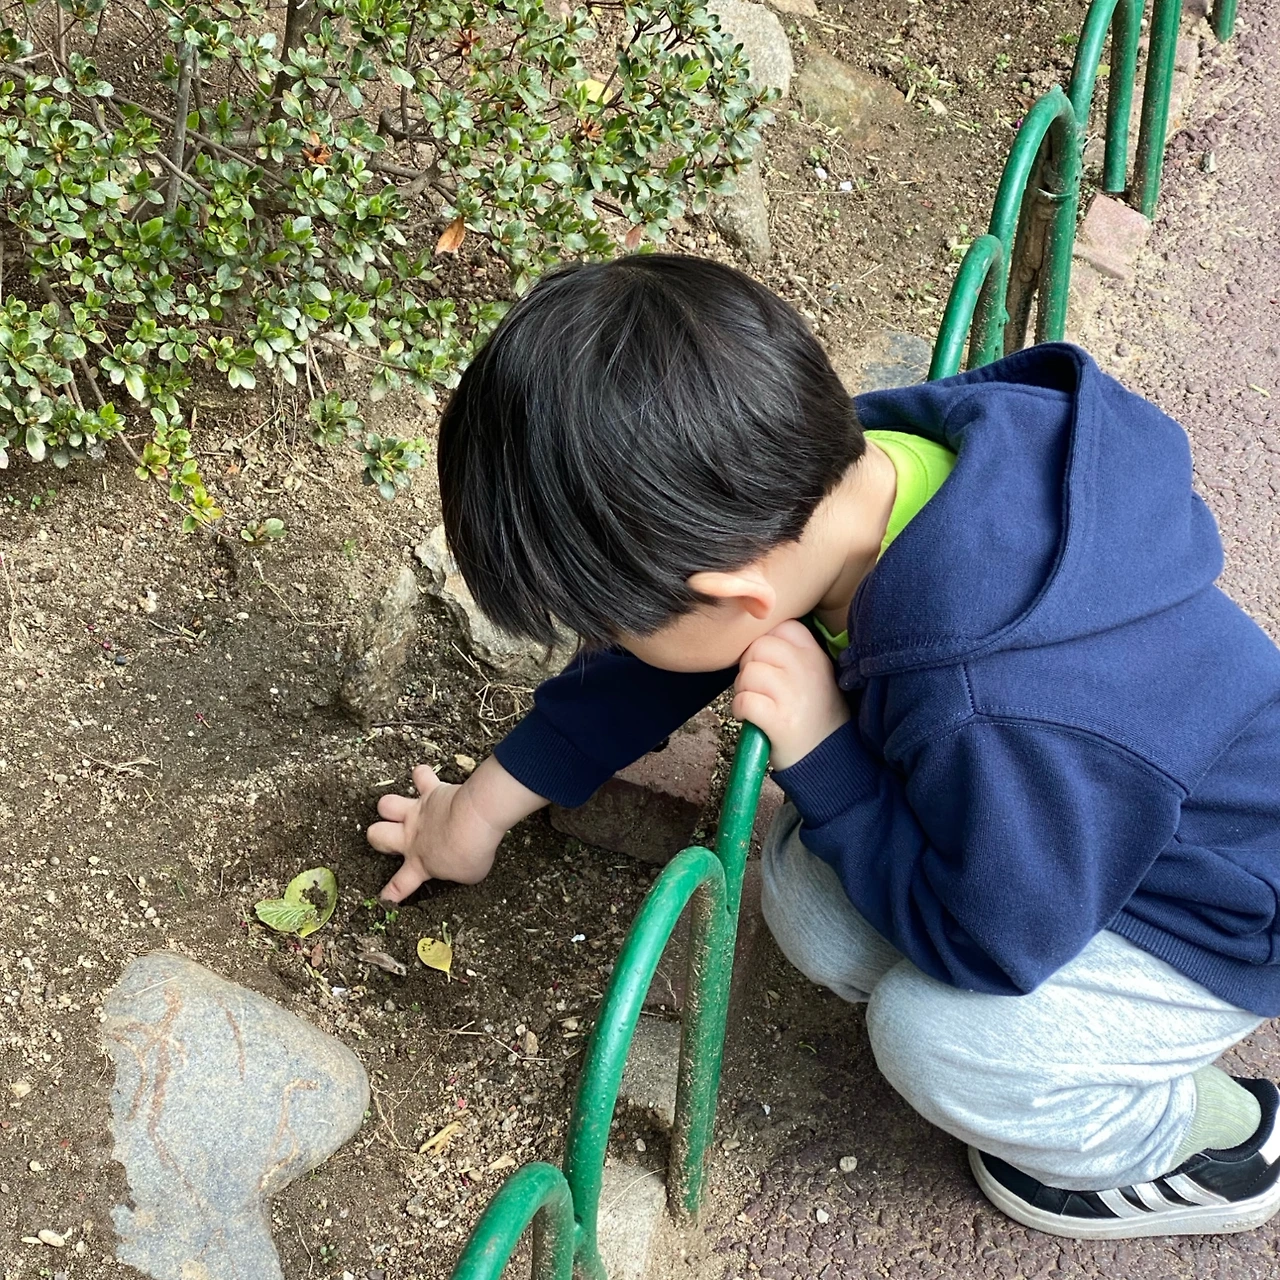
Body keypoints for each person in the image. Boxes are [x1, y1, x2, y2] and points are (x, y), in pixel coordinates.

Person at [366, 254, 1280, 1239]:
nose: (613, 642)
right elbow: (663, 661)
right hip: (1057, 832)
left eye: (612, 624)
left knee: (940, 1043)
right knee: (808, 899)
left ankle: (1207, 1139)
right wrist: (479, 807)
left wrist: (827, 755)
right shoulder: (843, 476)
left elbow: (993, 942)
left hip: (1207, 913)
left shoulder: (989, 695)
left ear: (734, 597)